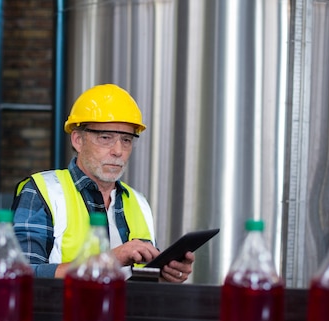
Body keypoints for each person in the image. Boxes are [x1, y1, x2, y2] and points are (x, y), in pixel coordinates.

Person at [12, 83, 194, 282]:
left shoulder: (139, 203)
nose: (118, 150)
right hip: (64, 312)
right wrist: (111, 259)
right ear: (78, 140)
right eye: (106, 137)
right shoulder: (43, 191)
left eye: (126, 140)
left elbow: (141, 283)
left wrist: (163, 273)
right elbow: (22, 276)